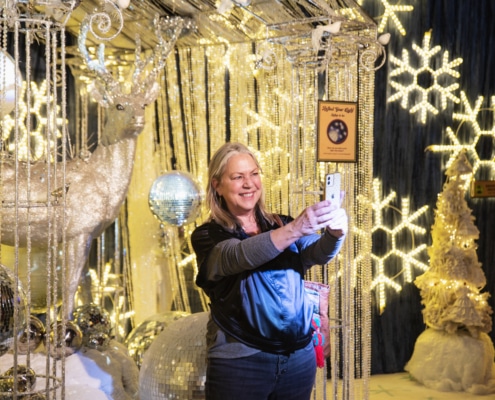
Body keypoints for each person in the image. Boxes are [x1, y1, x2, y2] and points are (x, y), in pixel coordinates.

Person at [191, 142, 348, 400]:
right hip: (242, 361)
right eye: (238, 177)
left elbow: (317, 253)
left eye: (253, 174)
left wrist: (335, 233)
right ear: (217, 185)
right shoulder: (208, 236)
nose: (249, 183)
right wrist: (296, 228)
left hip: (298, 357)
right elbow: (238, 255)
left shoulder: (281, 223)